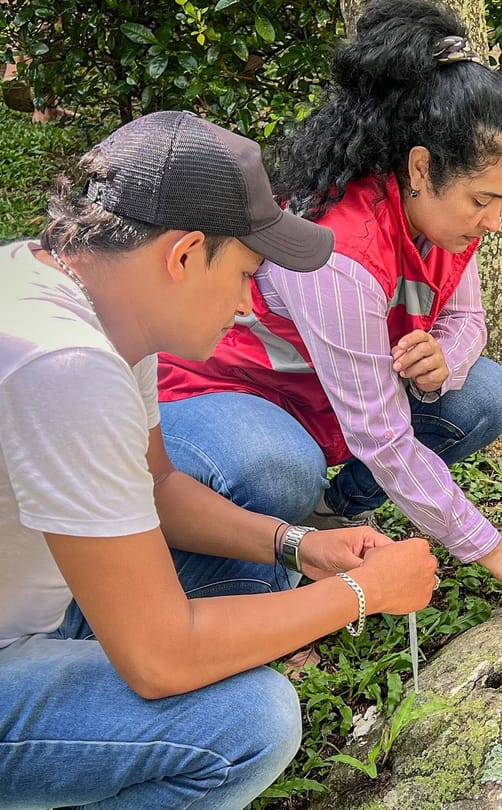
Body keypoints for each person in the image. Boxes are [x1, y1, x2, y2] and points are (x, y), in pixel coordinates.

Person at [0, 109, 439, 808]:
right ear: (182, 255)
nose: (246, 304)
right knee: (248, 721)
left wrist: (302, 547)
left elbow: (160, 486)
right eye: (245, 274)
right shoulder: (64, 361)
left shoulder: (90, 299)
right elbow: (159, 659)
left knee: (256, 575)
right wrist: (364, 594)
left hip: (35, 608)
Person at [157, 0, 502, 606]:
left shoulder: (449, 223)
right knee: (281, 467)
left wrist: (446, 356)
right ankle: (253, 583)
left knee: (480, 393)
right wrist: (492, 549)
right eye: (483, 199)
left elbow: (467, 318)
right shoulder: (340, 251)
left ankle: (329, 516)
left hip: (327, 401)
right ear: (421, 167)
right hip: (226, 398)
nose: (492, 222)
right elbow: (380, 435)